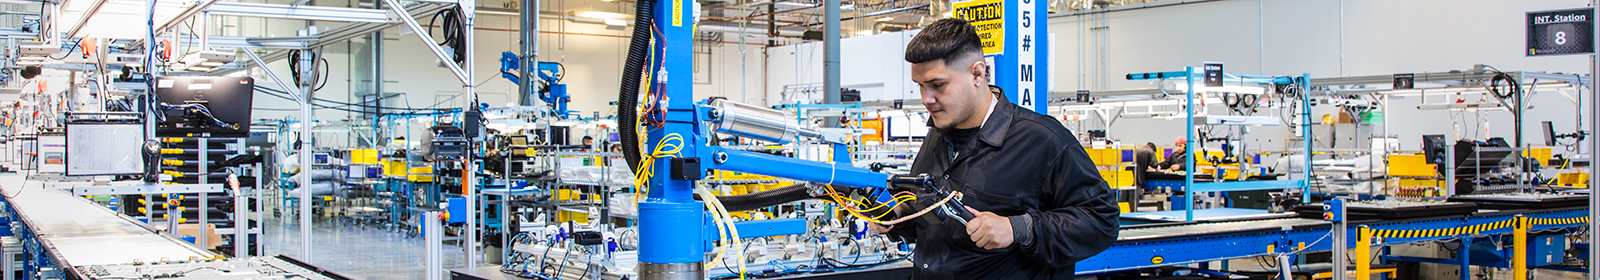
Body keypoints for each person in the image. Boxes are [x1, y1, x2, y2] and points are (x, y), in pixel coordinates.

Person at [871, 18, 1119, 279]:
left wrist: (1018, 229)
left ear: (977, 73)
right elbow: (933, 219)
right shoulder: (937, 136)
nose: (926, 99)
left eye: (937, 85)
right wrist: (897, 216)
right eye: (920, 86)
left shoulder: (1042, 139)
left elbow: (1102, 221)